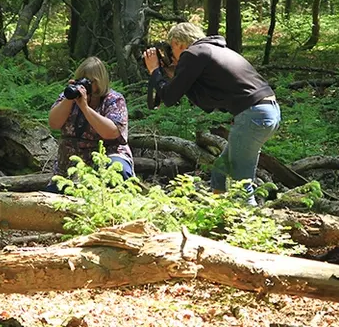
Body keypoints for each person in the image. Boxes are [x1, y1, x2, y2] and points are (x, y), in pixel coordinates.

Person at [143, 22, 280, 204]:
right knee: (221, 170)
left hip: (253, 114)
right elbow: (205, 102)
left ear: (177, 43)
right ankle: (218, 210)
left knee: (241, 182)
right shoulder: (211, 51)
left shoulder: (194, 53)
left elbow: (169, 97)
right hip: (267, 111)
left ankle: (251, 217)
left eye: (171, 49)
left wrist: (154, 71)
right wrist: (173, 74)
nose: (173, 56)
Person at [47, 57, 133, 190]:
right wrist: (69, 99)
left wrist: (85, 108)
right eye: (80, 80)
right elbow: (54, 123)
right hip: (70, 164)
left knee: (117, 172)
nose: (83, 87)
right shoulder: (68, 98)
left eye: (88, 82)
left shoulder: (113, 100)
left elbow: (111, 132)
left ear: (99, 82)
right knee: (53, 195)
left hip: (107, 158)